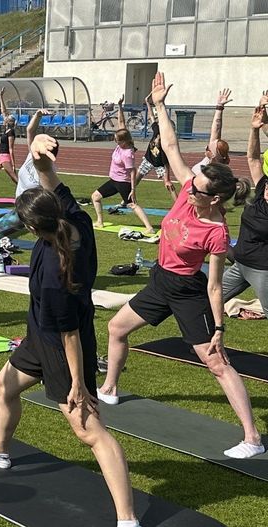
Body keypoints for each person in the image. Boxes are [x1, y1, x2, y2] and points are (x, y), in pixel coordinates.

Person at [0, 133, 141, 527]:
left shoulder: (53, 277)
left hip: (62, 348)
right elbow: (48, 178)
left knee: (90, 431)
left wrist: (78, 383)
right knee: (4, 385)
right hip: (39, 338)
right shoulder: (72, 218)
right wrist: (39, 152)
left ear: (30, 225)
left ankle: (127, 519)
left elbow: (70, 336)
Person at [98, 73, 263, 460]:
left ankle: (252, 438)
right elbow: (170, 145)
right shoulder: (191, 187)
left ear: (215, 197)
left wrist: (220, 327)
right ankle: (109, 389)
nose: (189, 187)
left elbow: (216, 287)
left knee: (217, 364)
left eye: (198, 187)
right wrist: (158, 106)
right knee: (116, 328)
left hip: (189, 292)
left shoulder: (216, 232)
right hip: (160, 283)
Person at [0, 109, 51, 279]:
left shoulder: (46, 171)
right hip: (21, 209)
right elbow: (30, 130)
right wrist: (38, 115)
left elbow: (50, 196)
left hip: (30, 212)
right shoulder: (32, 155)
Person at [223, 99, 268, 312]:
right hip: (239, 264)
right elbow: (253, 158)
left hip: (262, 269)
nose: (266, 188)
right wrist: (254, 129)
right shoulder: (261, 191)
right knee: (208, 300)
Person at [91, 96, 155, 234]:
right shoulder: (123, 141)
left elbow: (133, 172)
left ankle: (149, 228)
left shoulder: (127, 153)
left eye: (117, 140)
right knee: (95, 197)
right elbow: (121, 122)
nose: (115, 141)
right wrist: (120, 106)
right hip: (113, 180)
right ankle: (100, 222)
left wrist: (133, 189)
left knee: (132, 204)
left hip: (123, 183)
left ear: (124, 141)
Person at [137, 93, 175, 201]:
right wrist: (148, 103)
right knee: (134, 181)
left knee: (169, 185)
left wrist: (167, 179)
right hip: (149, 160)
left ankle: (177, 204)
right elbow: (151, 117)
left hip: (160, 165)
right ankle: (126, 200)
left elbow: (166, 163)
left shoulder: (166, 144)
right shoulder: (157, 130)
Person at [192, 89, 233, 176]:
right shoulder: (217, 164)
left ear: (213, 154)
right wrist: (219, 107)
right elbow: (216, 129)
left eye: (208, 148)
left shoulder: (205, 174)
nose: (206, 147)